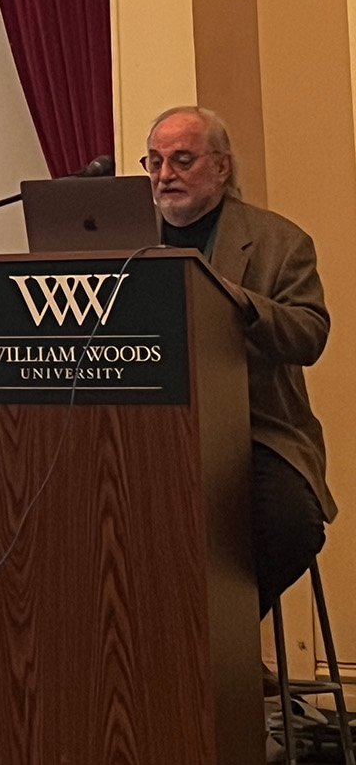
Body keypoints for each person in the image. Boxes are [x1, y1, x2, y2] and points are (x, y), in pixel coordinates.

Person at [144, 106, 336, 617]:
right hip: (147, 430)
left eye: (183, 160)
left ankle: (219, 643)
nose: (166, 176)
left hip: (257, 431)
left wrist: (240, 302)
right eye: (155, 162)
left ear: (222, 167)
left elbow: (310, 334)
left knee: (289, 526)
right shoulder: (125, 237)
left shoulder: (278, 241)